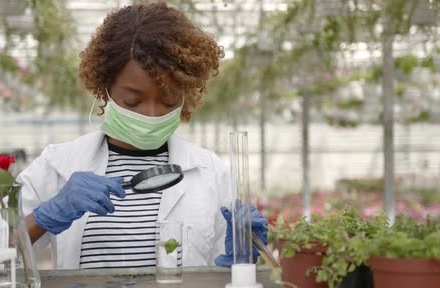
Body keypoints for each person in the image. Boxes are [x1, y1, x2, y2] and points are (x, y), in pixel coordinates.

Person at [20, 2, 267, 270]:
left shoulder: (211, 172)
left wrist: (242, 264)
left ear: (186, 94)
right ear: (105, 90)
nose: (151, 115)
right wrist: (43, 217)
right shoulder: (57, 165)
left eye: (168, 101)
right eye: (133, 102)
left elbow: (227, 283)